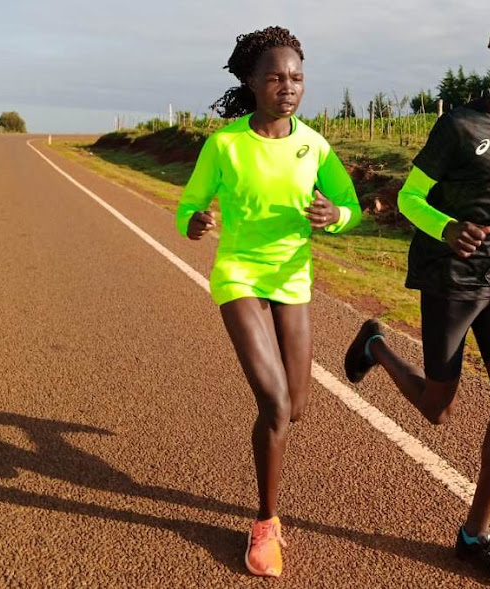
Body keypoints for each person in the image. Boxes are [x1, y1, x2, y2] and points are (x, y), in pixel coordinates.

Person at [344, 14, 490, 589]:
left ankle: (475, 535)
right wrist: (446, 230)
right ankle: (376, 345)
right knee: (438, 408)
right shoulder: (460, 126)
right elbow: (409, 197)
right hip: (449, 279)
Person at [176, 26, 361, 578]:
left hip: (293, 278)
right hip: (238, 273)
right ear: (253, 82)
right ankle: (265, 523)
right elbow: (190, 204)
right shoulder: (225, 144)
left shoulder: (316, 145)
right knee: (277, 403)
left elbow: (350, 207)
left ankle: (273, 444)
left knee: (295, 407)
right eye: (276, 77)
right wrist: (197, 220)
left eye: (297, 77)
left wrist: (336, 218)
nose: (288, 86)